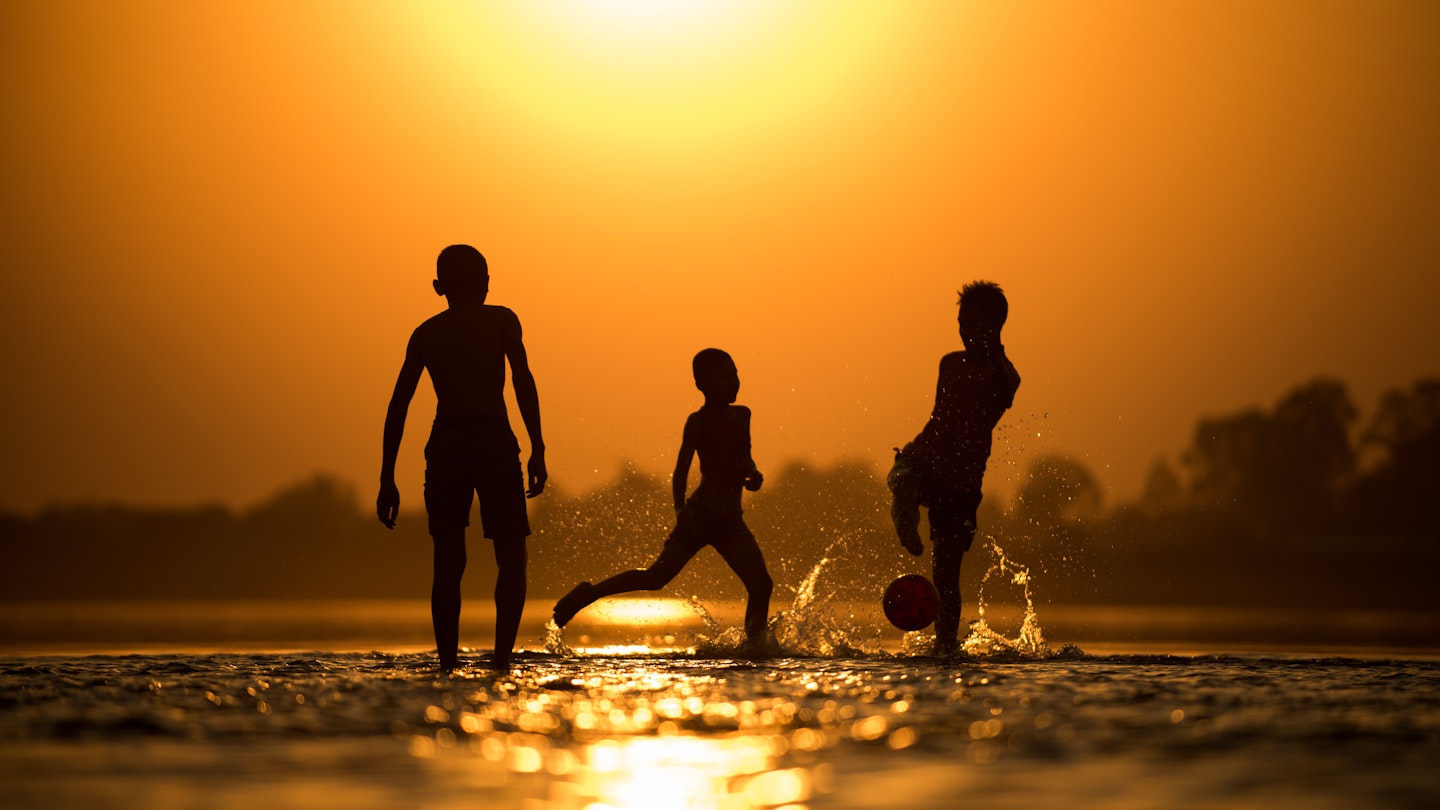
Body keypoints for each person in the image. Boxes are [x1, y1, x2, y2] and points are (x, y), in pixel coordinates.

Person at [376, 244, 547, 671]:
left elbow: (399, 406)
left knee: (448, 560)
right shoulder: (501, 320)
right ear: (486, 283)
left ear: (439, 287)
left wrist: (387, 477)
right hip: (492, 439)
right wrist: (538, 447)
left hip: (448, 442)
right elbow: (522, 380)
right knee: (511, 555)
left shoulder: (427, 333)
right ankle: (501, 661)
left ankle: (448, 665)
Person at [553, 348, 774, 651]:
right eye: (723, 377)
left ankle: (755, 648)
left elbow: (744, 458)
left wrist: (753, 474)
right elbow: (681, 470)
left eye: (734, 374)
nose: (733, 382)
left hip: (731, 522)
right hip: (699, 518)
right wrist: (680, 509)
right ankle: (588, 593)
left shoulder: (742, 415)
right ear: (702, 384)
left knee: (761, 585)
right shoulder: (698, 422)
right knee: (655, 577)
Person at [889, 281, 1020, 655]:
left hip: (961, 486)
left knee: (945, 577)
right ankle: (905, 512)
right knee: (902, 477)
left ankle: (945, 646)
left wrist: (994, 351)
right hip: (924, 461)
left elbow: (1005, 392)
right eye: (961, 323)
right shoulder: (949, 363)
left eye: (974, 325)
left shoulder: (1004, 375)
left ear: (995, 328)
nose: (964, 332)